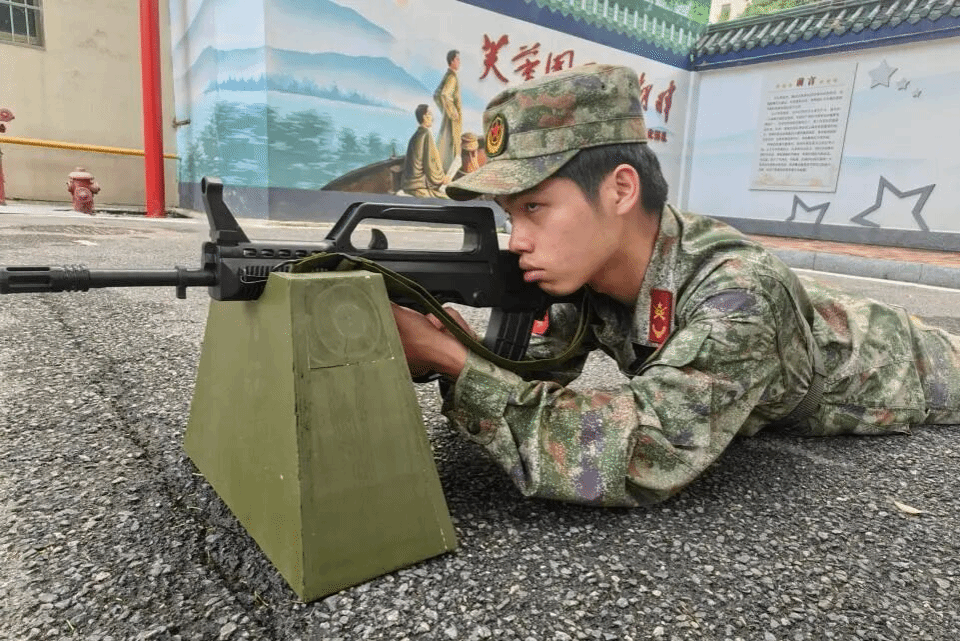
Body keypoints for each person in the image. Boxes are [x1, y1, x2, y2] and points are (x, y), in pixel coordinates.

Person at [389, 63, 960, 507]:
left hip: (907, 366)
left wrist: (451, 360)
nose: (516, 240)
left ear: (620, 190)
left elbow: (643, 454)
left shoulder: (741, 294)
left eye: (534, 207)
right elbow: (538, 373)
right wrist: (460, 346)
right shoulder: (587, 271)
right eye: (510, 214)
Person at [400, 104, 449, 198]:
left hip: (409, 184)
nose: (432, 118)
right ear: (424, 117)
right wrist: (442, 179)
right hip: (418, 185)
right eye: (430, 114)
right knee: (448, 197)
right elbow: (430, 164)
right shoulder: (426, 134)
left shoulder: (416, 135)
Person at [433, 49, 463, 174]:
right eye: (457, 59)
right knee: (453, 145)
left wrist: (445, 111)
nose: (459, 62)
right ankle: (450, 174)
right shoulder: (452, 77)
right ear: (451, 61)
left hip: (449, 116)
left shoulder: (448, 75)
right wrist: (452, 112)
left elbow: (437, 95)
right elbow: (444, 95)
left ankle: (443, 171)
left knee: (445, 143)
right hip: (453, 118)